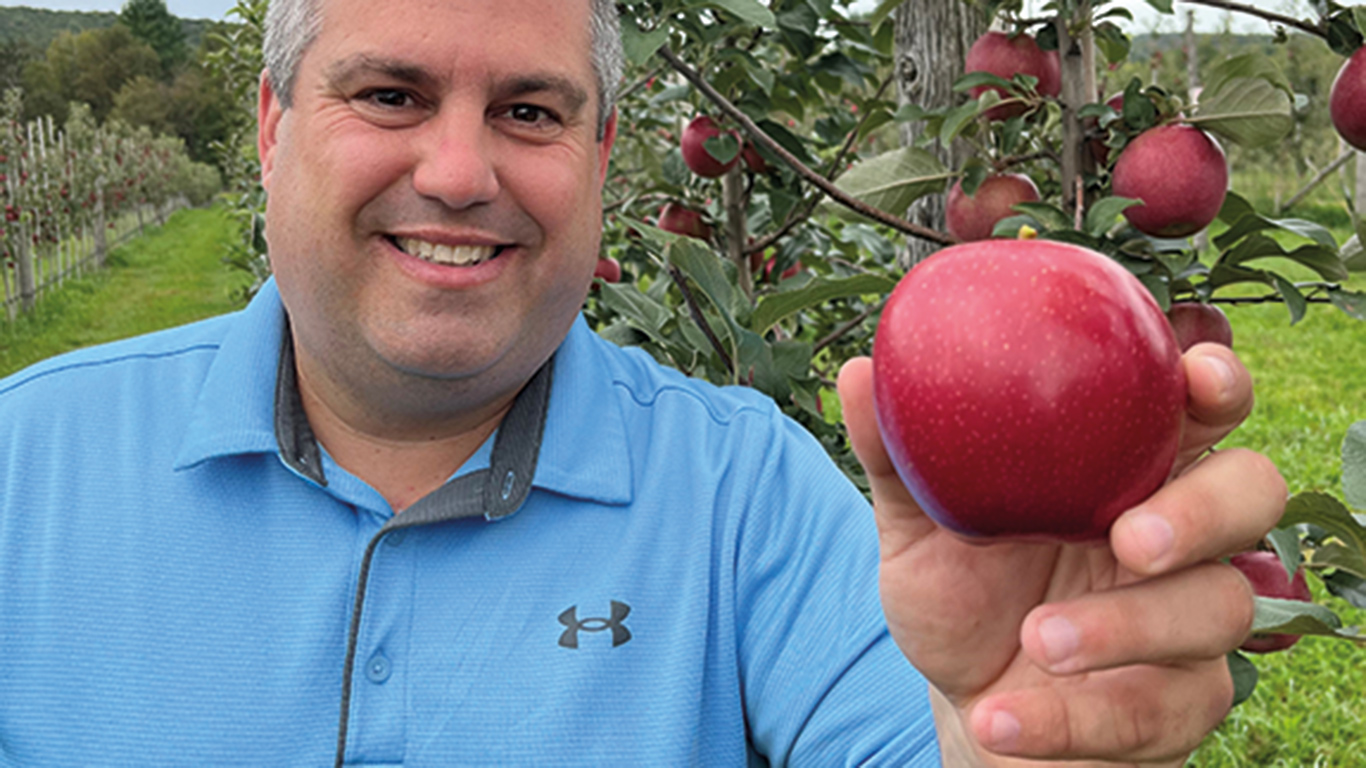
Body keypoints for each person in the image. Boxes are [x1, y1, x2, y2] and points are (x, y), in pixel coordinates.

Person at [0, 0, 1285, 765]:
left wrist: (1017, 733)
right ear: (273, 130)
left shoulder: (748, 500)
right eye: (389, 93)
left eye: (531, 112)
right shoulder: (25, 473)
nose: (458, 171)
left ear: (605, 153)